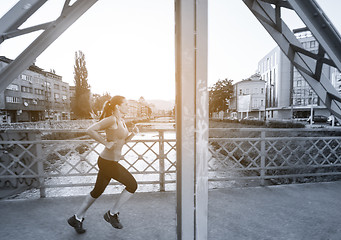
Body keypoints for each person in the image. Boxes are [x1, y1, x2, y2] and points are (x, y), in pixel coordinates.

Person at [67, 95, 139, 234]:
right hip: (107, 162)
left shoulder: (121, 120)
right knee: (132, 185)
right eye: (126, 104)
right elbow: (90, 130)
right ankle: (112, 214)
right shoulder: (111, 119)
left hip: (111, 161)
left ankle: (77, 218)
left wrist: (133, 134)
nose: (128, 107)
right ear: (117, 106)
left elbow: (121, 142)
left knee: (97, 192)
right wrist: (105, 143)